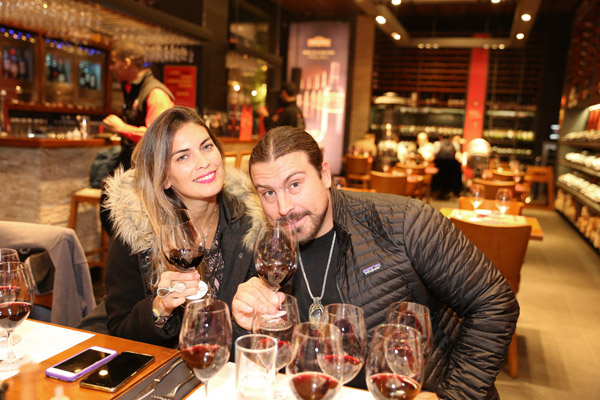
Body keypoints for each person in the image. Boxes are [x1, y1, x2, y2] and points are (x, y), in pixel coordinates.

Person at [231, 126, 519, 399]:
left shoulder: (403, 222)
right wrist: (248, 323)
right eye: (268, 192)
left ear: (325, 175)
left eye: (295, 184)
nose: (283, 208)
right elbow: (268, 356)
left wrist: (455, 395)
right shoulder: (269, 250)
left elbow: (494, 302)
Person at [102, 106, 262, 347]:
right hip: (166, 366)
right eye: (183, 157)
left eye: (206, 147)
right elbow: (120, 332)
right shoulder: (137, 232)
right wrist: (160, 308)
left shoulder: (251, 225)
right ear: (164, 177)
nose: (204, 162)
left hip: (229, 365)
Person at [100, 40, 175, 235]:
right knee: (109, 210)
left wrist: (121, 128)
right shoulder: (132, 88)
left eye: (114, 62)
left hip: (148, 169)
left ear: (127, 63)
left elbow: (158, 136)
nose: (111, 68)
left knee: (123, 218)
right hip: (132, 162)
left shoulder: (155, 93)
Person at [431, 133, 463, 199]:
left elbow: (434, 155)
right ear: (450, 138)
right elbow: (457, 155)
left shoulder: (437, 144)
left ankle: (435, 190)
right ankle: (453, 192)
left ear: (440, 138)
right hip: (451, 170)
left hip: (439, 170)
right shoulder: (455, 144)